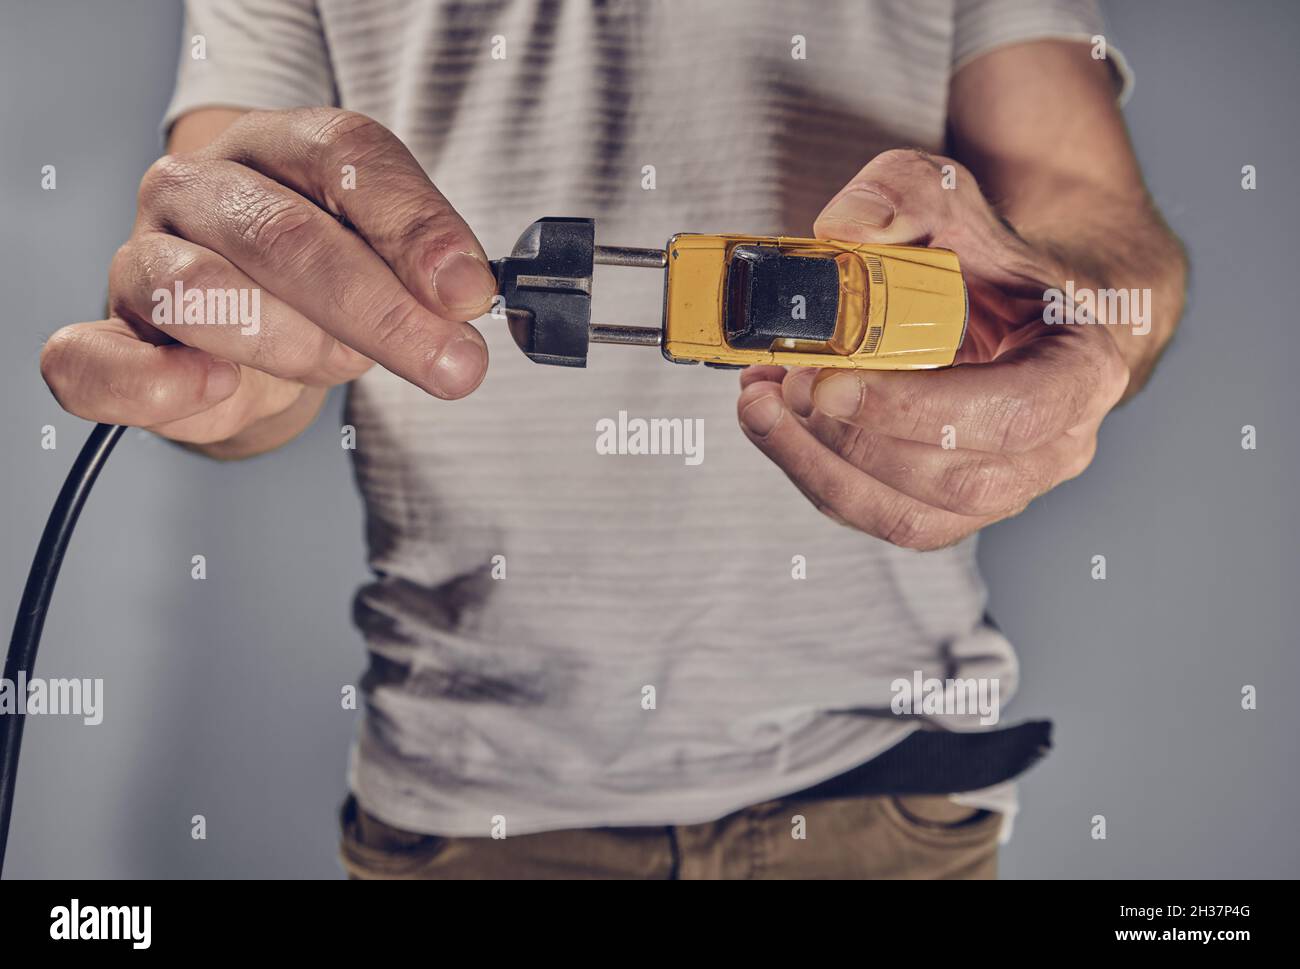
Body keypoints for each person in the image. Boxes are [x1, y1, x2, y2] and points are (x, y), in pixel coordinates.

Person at [38, 0, 1186, 879]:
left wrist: (1073, 319)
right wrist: (214, 349)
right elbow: (240, 305)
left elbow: (1094, 218)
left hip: (879, 784)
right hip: (470, 807)